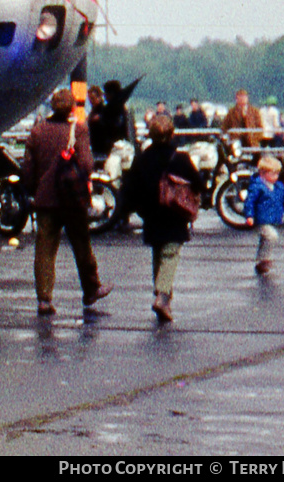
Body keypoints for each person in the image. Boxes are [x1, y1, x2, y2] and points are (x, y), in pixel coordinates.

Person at [21, 88, 112, 316]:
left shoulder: (37, 131)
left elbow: (28, 169)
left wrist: (35, 189)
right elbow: (86, 164)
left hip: (45, 200)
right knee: (81, 244)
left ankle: (44, 299)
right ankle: (91, 289)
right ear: (72, 108)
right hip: (72, 199)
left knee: (45, 250)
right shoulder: (78, 129)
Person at [124, 114, 202, 324]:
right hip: (175, 213)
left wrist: (137, 209)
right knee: (170, 253)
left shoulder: (141, 159)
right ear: (171, 133)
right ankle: (163, 294)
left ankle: (161, 293)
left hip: (150, 213)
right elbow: (198, 182)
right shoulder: (181, 158)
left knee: (158, 252)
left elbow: (129, 189)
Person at [244, 155, 284, 276]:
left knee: (265, 238)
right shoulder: (257, 187)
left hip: (269, 218)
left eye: (277, 174)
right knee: (271, 236)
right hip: (260, 219)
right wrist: (249, 215)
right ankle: (265, 259)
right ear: (262, 174)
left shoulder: (277, 186)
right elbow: (250, 202)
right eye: (273, 174)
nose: (276, 177)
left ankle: (261, 260)